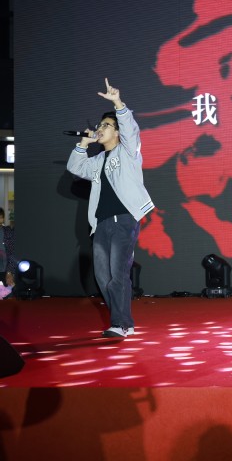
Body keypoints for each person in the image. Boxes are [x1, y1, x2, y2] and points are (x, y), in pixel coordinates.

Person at [67, 79, 155, 338]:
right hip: (101, 224)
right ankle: (123, 321)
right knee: (103, 277)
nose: (100, 128)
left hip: (124, 220)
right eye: (100, 125)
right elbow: (75, 167)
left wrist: (117, 102)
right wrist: (83, 143)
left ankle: (120, 323)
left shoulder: (128, 152)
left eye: (106, 125)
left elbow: (130, 129)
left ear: (117, 133)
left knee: (119, 273)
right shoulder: (97, 160)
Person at [0, 207, 16, 299]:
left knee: (8, 298)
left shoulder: (8, 232)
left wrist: (10, 272)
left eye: (1, 217)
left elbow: (12, 252)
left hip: (5, 270)